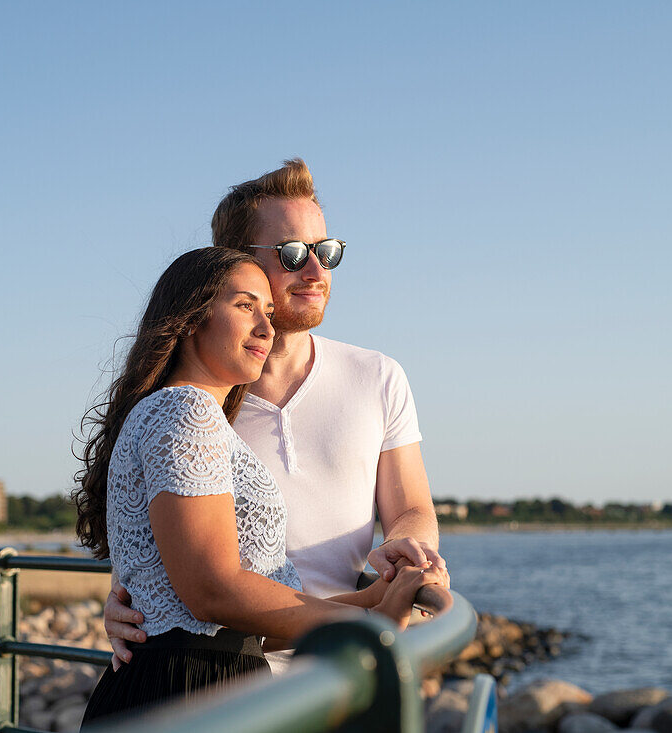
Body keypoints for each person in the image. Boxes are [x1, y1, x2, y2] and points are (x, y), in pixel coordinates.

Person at [73, 247, 444, 725]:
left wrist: (373, 601)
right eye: (246, 306)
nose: (267, 329)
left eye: (268, 312)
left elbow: (244, 621)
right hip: (189, 691)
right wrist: (364, 621)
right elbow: (213, 592)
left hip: (209, 681)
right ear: (190, 318)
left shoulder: (195, 417)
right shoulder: (185, 410)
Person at [105, 159, 448, 673]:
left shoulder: (377, 375)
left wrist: (403, 552)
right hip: (228, 676)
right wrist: (132, 602)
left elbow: (412, 508)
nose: (316, 272)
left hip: (338, 669)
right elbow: (178, 556)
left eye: (326, 252)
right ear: (232, 263)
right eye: (292, 254)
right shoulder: (201, 403)